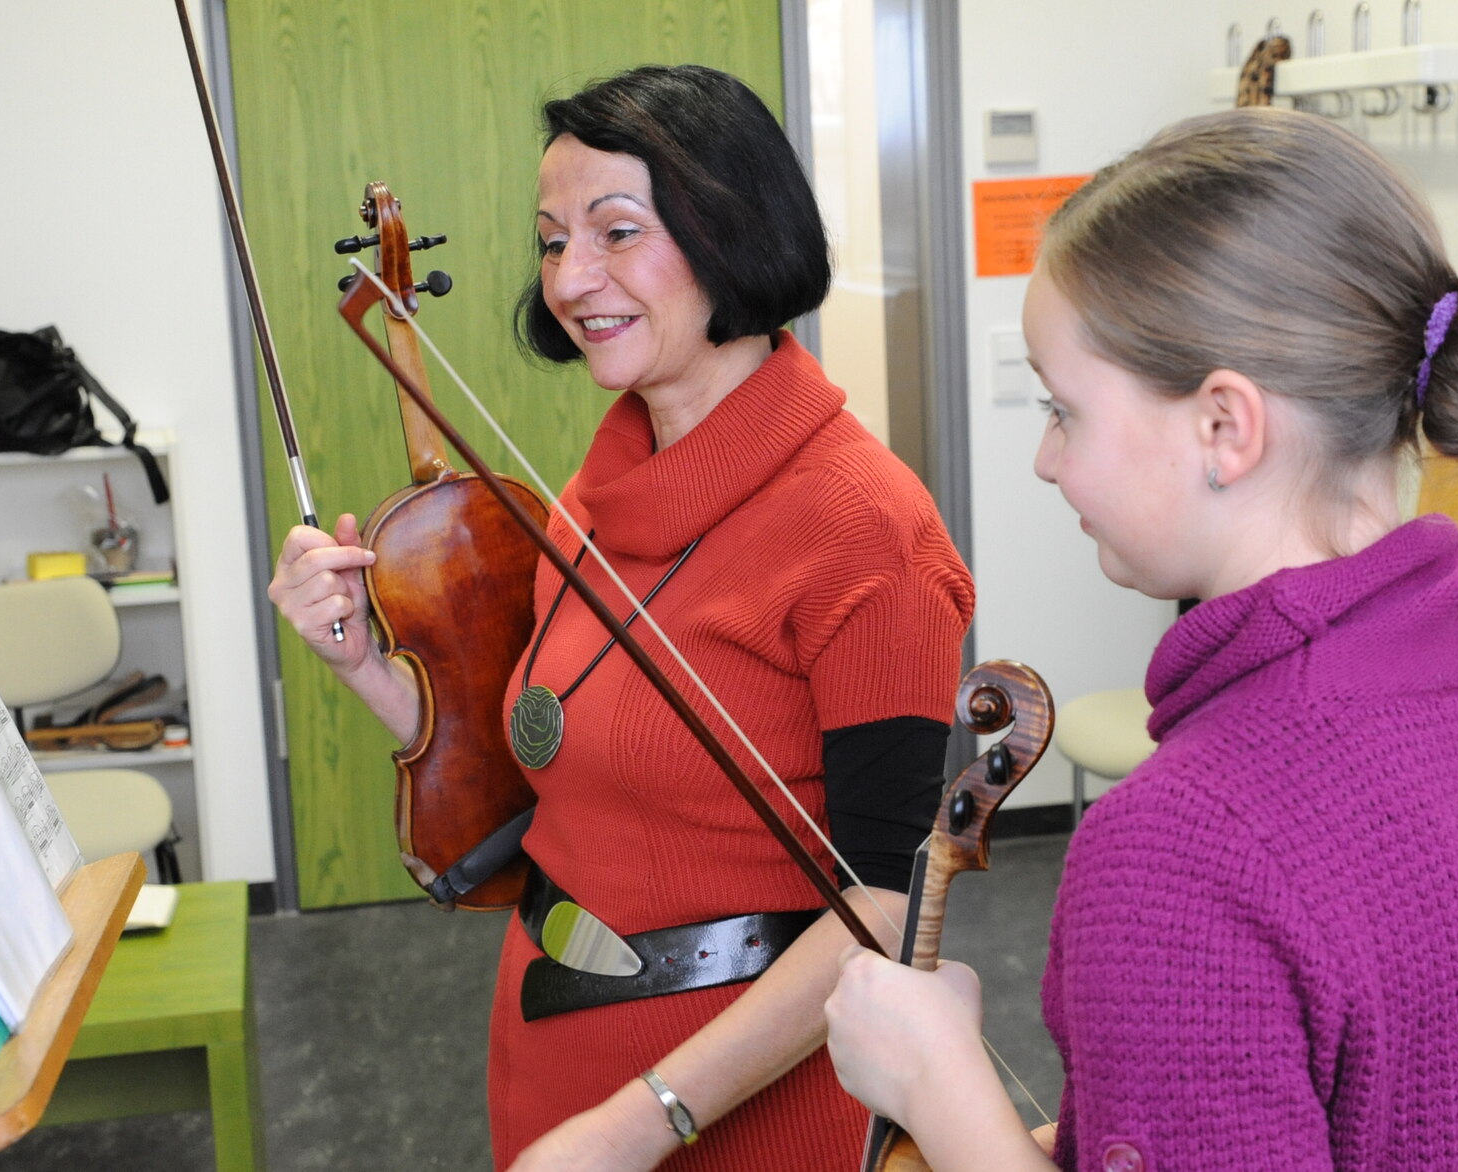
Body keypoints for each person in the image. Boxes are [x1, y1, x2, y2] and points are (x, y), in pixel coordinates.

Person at [269, 65, 974, 1171]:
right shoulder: (600, 486)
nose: (569, 277)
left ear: (732, 233)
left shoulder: (866, 527)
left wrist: (637, 1124)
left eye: (614, 231)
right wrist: (362, 658)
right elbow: (552, 752)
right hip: (552, 1037)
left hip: (736, 1100)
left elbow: (881, 909)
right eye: (552, 240)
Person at [824, 106, 1458, 1171]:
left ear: (1223, 428)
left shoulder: (1181, 845)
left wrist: (936, 1082)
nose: (1046, 461)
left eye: (1066, 411)